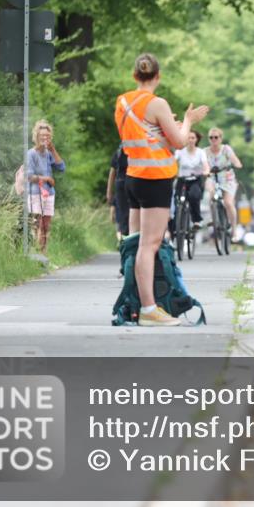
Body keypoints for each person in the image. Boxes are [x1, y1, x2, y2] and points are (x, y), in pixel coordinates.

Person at [115, 53, 209, 326]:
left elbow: (143, 138)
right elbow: (179, 142)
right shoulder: (158, 103)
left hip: (132, 176)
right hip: (155, 180)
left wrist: (168, 128)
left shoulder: (122, 102)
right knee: (149, 244)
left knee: (133, 243)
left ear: (135, 76)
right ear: (158, 76)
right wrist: (189, 120)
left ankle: (134, 303)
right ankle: (148, 309)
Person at [26, 119, 65, 255]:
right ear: (36, 136)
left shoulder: (48, 154)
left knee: (46, 226)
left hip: (49, 193)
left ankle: (43, 255)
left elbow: (61, 167)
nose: (45, 138)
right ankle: (35, 254)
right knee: (37, 225)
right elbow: (29, 176)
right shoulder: (31, 154)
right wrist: (46, 178)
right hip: (35, 193)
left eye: (47, 136)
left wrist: (53, 149)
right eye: (42, 135)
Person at [204, 126, 243, 240]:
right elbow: (202, 164)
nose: (213, 140)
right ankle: (213, 218)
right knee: (210, 191)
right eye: (211, 137)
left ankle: (234, 231)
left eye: (216, 137)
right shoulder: (205, 151)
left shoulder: (226, 149)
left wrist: (237, 164)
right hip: (212, 176)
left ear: (220, 138)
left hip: (227, 177)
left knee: (228, 203)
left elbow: (235, 159)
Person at [174, 130, 209, 232]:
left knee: (194, 196)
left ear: (196, 139)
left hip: (195, 180)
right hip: (182, 179)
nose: (190, 140)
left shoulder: (200, 152)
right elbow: (173, 161)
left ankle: (196, 221)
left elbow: (205, 165)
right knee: (176, 200)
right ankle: (177, 225)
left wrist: (206, 171)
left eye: (193, 138)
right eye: (188, 138)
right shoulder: (180, 151)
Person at [106, 144, 130, 243]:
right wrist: (109, 192)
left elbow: (112, 173)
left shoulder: (120, 151)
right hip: (127, 184)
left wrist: (109, 192)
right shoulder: (120, 152)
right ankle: (127, 241)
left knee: (126, 216)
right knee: (126, 216)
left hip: (123, 184)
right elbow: (112, 173)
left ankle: (127, 241)